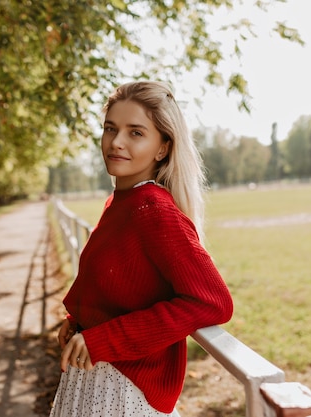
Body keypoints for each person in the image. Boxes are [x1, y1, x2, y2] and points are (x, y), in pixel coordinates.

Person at [49, 81, 234, 416]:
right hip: (91, 379)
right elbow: (116, 281)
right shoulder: (119, 204)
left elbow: (212, 302)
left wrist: (104, 339)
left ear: (162, 148)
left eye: (136, 133)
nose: (116, 142)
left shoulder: (152, 209)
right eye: (110, 128)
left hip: (121, 391)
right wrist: (78, 318)